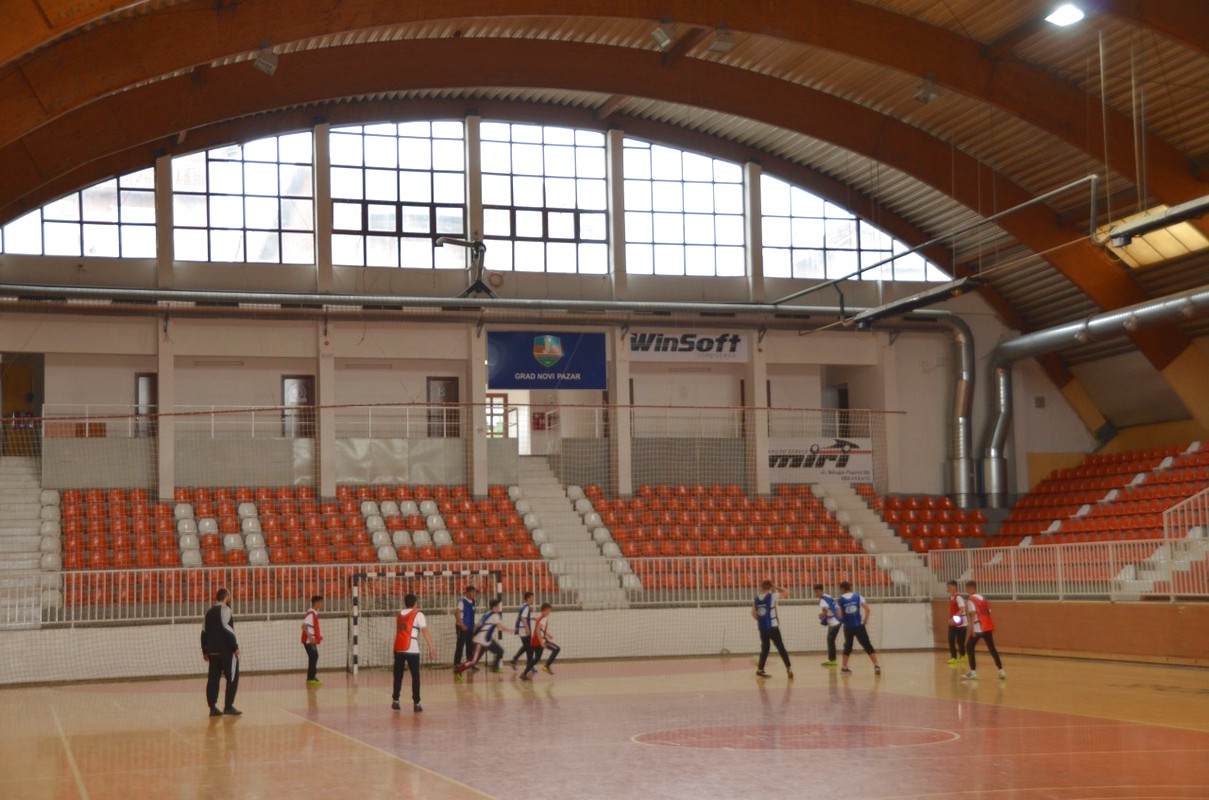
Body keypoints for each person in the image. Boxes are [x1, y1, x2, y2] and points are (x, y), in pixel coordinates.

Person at [392, 593, 436, 711]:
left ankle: (395, 700)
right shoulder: (418, 614)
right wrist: (431, 647)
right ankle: (416, 703)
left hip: (398, 647)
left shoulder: (399, 614)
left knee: (398, 675)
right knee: (415, 676)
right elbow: (425, 631)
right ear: (415, 603)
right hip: (412, 648)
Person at [201, 587, 241, 716]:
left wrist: (205, 650)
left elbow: (203, 633)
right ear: (226, 597)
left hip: (212, 651)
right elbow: (227, 629)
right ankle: (228, 707)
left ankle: (212, 708)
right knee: (232, 677)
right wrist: (235, 647)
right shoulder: (226, 610)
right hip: (226, 651)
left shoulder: (209, 612)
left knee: (213, 679)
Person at [962, 581, 1005, 680]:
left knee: (969, 647)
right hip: (987, 626)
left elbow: (972, 614)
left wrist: (972, 629)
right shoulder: (983, 598)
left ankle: (973, 672)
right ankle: (1001, 670)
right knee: (992, 648)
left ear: (971, 588)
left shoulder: (971, 599)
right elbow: (989, 611)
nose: (966, 590)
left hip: (978, 627)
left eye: (967, 588)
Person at [837, 580, 881, 675]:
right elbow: (867, 609)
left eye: (840, 589)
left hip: (848, 627)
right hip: (859, 626)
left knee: (847, 646)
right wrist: (865, 620)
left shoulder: (840, 600)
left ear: (843, 589)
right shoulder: (858, 596)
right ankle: (876, 665)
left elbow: (840, 615)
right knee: (867, 645)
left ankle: (844, 668)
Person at [752, 579, 793, 679]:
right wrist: (776, 587)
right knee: (781, 648)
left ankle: (760, 669)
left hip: (762, 628)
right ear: (770, 587)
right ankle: (788, 668)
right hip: (773, 626)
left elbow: (753, 613)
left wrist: (761, 621)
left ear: (761, 587)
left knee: (765, 649)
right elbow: (787, 592)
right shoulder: (772, 596)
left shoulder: (757, 599)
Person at [456, 597, 506, 677]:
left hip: (486, 641)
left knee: (500, 651)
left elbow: (476, 626)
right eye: (498, 606)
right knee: (473, 661)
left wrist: (473, 635)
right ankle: (458, 671)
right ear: (494, 607)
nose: (499, 608)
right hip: (480, 641)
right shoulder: (494, 616)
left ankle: (494, 667)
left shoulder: (487, 614)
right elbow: (500, 628)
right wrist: (513, 630)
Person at [521, 602, 560, 679]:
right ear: (545, 610)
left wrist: (547, 634)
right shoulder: (544, 618)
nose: (550, 612)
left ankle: (523, 674)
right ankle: (546, 666)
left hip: (536, 640)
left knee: (536, 659)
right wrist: (542, 642)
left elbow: (539, 628)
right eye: (549, 610)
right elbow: (537, 630)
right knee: (557, 649)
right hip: (540, 641)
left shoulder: (540, 617)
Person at [814, 583, 841, 667]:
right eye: (815, 592)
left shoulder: (822, 600)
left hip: (834, 623)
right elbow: (835, 606)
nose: (817, 594)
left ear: (822, 590)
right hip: (836, 621)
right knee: (830, 640)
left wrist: (822, 615)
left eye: (818, 591)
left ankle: (832, 660)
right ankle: (832, 659)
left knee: (830, 640)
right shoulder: (827, 596)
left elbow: (826, 610)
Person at [508, 591, 535, 671]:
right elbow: (523, 619)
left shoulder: (523, 605)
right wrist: (527, 629)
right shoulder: (526, 607)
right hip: (524, 629)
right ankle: (529, 666)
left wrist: (531, 618)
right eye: (532, 597)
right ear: (528, 598)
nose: (533, 599)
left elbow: (522, 617)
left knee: (526, 647)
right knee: (529, 648)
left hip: (521, 628)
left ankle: (514, 660)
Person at [453, 585, 477, 671]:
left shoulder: (474, 601)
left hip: (470, 627)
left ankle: (470, 664)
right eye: (472, 592)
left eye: (475, 592)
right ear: (467, 593)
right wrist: (462, 624)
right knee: (460, 646)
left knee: (470, 646)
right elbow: (456, 613)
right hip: (462, 627)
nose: (474, 593)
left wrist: (474, 626)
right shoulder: (462, 601)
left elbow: (471, 615)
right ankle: (456, 664)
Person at [301, 594, 323, 686]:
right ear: (316, 602)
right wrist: (310, 637)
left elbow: (310, 627)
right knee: (314, 656)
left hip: (310, 640)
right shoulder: (311, 613)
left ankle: (311, 677)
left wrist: (318, 636)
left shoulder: (313, 613)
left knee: (313, 657)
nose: (321, 604)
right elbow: (304, 626)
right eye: (320, 602)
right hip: (309, 641)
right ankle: (311, 678)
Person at [945, 580, 968, 665]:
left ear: (955, 587)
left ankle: (962, 655)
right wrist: (950, 619)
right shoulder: (950, 598)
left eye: (949, 587)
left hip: (961, 621)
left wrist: (954, 618)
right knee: (951, 639)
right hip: (954, 621)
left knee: (960, 641)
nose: (948, 589)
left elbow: (962, 610)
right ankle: (953, 657)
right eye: (947, 587)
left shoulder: (958, 598)